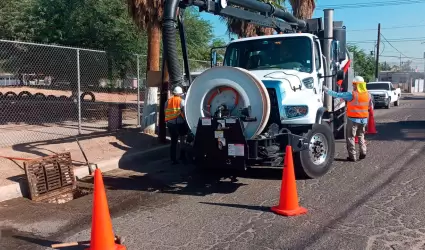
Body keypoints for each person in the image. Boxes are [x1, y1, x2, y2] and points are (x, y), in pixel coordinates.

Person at [323, 76, 373, 162]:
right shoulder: (368, 95)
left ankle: (352, 156)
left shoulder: (351, 95)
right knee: (361, 136)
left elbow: (337, 94)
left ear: (356, 85)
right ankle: (363, 152)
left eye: (354, 84)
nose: (353, 86)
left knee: (350, 137)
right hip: (364, 119)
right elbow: (370, 106)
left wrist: (326, 90)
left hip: (353, 119)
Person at [165, 86, 187, 164]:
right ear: (180, 94)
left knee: (173, 142)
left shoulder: (168, 101)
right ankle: (182, 156)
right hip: (180, 123)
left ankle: (173, 159)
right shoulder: (181, 101)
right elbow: (185, 112)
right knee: (182, 140)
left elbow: (165, 110)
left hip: (170, 124)